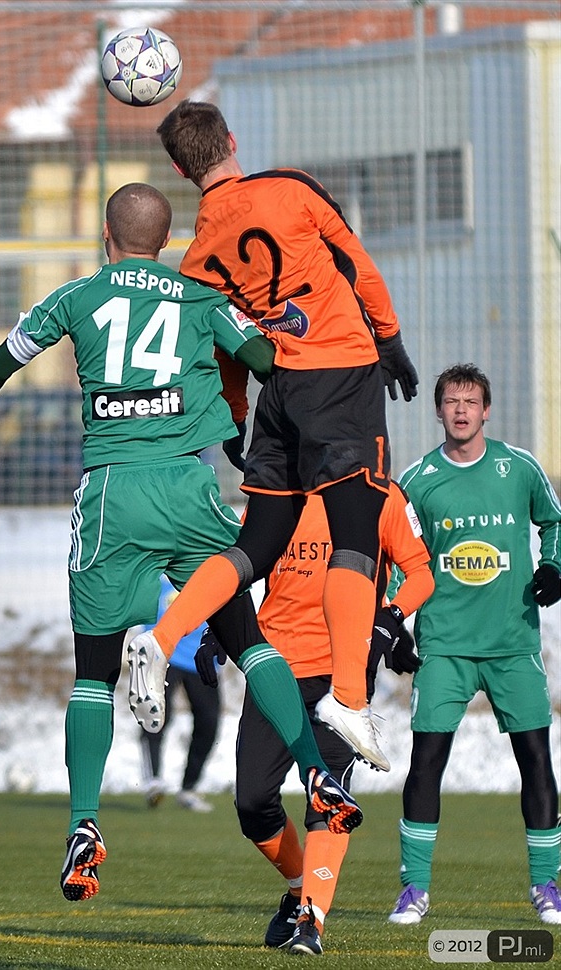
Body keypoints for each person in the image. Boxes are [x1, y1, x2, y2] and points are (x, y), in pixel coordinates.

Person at [0, 182, 363, 903]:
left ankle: (84, 824)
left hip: (114, 492)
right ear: (165, 242)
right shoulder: (199, 298)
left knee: (91, 673)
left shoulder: (75, 296)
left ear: (107, 238)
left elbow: (5, 360)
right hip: (189, 489)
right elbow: (265, 361)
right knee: (249, 640)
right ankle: (319, 777)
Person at [128, 99, 419, 773]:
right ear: (232, 139)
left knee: (257, 545)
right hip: (341, 376)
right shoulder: (290, 188)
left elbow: (223, 347)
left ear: (178, 169)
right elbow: (356, 261)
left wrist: (234, 414)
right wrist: (390, 338)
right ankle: (349, 697)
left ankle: (162, 634)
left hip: (280, 393)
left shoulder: (199, 258)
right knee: (355, 539)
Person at [196, 486, 433, 954]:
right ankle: (297, 887)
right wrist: (216, 630)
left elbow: (421, 574)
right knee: (252, 802)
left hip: (341, 671)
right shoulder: (273, 494)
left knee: (328, 800)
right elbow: (242, 569)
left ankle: (312, 917)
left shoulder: (378, 493)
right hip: (272, 666)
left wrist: (390, 619)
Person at [387, 363, 561, 926]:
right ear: (438, 411)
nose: (461, 410)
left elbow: (554, 524)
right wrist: (395, 622)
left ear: (487, 410)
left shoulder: (520, 469)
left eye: (471, 401)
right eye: (451, 402)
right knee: (426, 761)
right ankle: (414, 890)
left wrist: (555, 566)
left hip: (513, 643)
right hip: (445, 646)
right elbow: (393, 555)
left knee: (535, 761)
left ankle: (546, 887)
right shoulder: (417, 481)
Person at [137, 577, 220, 813]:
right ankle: (153, 780)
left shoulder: (214, 579)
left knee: (209, 722)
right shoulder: (161, 580)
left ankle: (189, 788)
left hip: (202, 659)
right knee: (157, 714)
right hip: (166, 655)